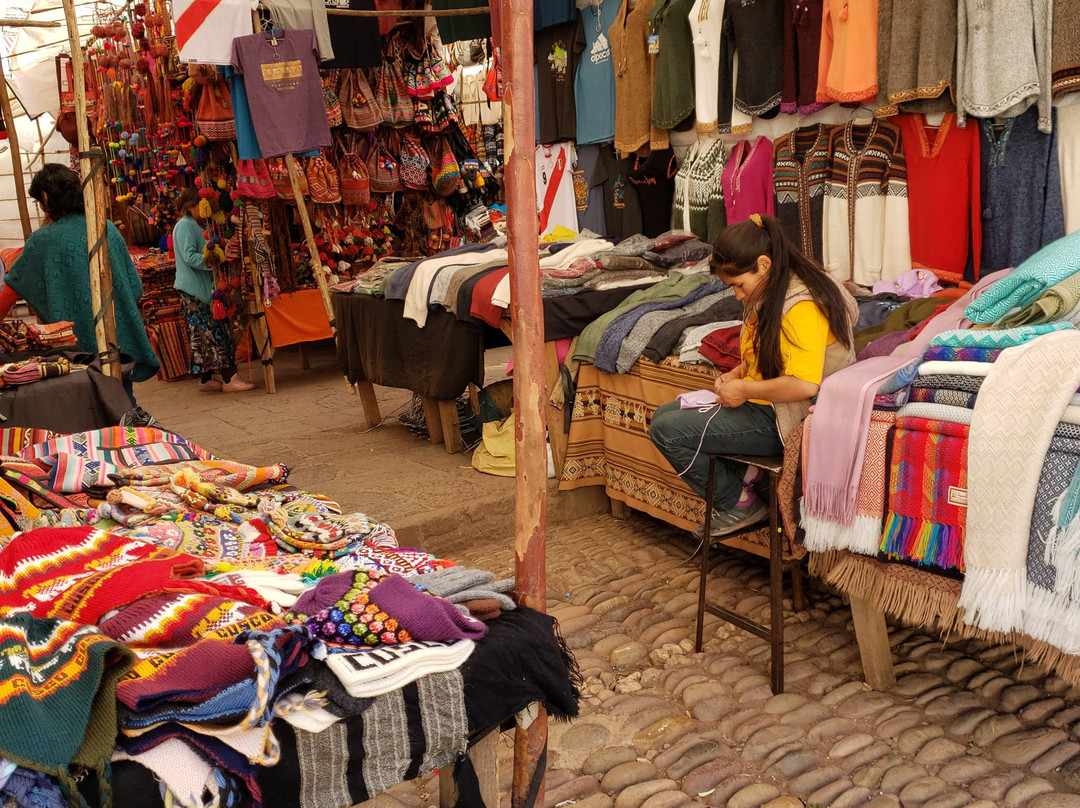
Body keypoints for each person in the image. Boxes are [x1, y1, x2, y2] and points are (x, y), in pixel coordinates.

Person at [650, 213, 858, 537]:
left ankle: (739, 503)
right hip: (770, 406)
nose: (737, 296)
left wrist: (745, 389)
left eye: (738, 285)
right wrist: (736, 373)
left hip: (792, 419)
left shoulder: (801, 305)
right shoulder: (771, 289)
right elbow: (768, 356)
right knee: (666, 415)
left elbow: (804, 385)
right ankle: (755, 481)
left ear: (763, 264)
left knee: (667, 430)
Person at [0, 164, 159, 403]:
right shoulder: (105, 229)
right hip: (116, 339)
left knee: (87, 412)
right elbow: (134, 287)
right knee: (123, 406)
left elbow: (12, 290)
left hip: (75, 353)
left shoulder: (43, 240)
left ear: (45, 198)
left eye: (39, 202)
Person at [172, 187, 253, 392]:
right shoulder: (185, 226)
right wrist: (214, 260)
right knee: (214, 334)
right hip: (193, 291)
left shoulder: (195, 225)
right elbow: (190, 256)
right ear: (191, 207)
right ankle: (229, 378)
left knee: (203, 336)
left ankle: (206, 379)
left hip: (199, 290)